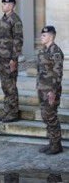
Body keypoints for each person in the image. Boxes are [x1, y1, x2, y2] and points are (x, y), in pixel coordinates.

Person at [0, 0, 23, 123]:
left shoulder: (15, 20)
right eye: (3, 4)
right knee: (5, 85)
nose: (3, 6)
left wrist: (14, 59)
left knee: (10, 85)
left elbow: (18, 41)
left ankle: (13, 112)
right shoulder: (4, 18)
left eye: (5, 4)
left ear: (11, 6)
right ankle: (7, 110)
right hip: (2, 55)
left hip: (9, 58)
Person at [36, 25, 64, 155]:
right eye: (41, 35)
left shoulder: (56, 52)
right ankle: (52, 142)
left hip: (51, 91)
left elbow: (58, 74)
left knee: (51, 116)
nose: (41, 37)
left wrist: (52, 91)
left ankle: (57, 145)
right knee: (45, 115)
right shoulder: (43, 50)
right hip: (42, 88)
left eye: (44, 35)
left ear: (51, 36)